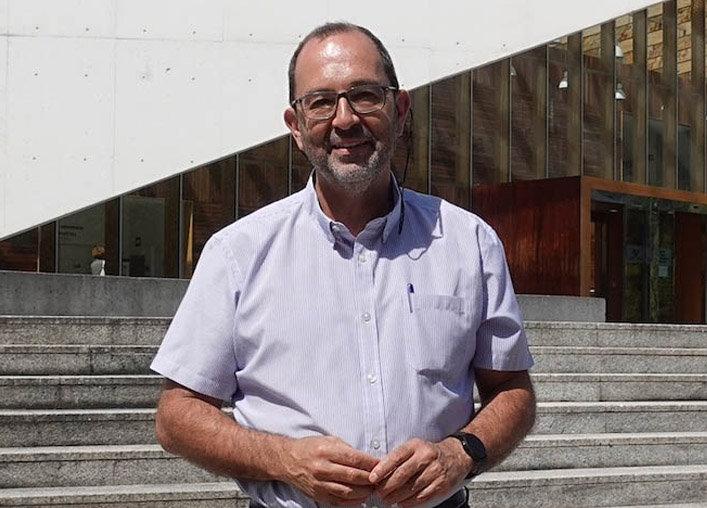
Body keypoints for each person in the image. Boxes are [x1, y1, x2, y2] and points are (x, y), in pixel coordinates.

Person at [151, 22, 535, 508]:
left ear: (399, 110)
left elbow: (512, 391)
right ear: (295, 126)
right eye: (321, 102)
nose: (345, 119)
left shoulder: (469, 242)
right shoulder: (238, 253)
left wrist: (461, 454)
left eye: (365, 95)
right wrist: (283, 459)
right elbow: (176, 416)